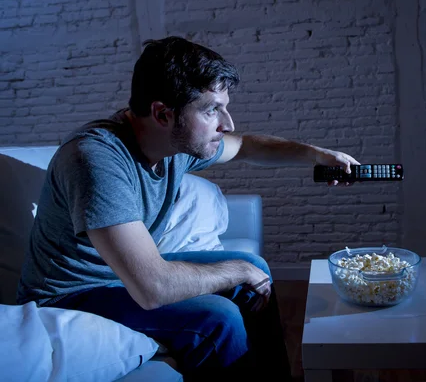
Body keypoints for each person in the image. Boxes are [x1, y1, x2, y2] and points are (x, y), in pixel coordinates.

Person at [16, 36, 360, 380]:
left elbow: (244, 146)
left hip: (119, 279)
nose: (227, 123)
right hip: (72, 295)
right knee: (219, 317)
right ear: (163, 114)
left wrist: (316, 154)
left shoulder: (171, 142)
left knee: (255, 268)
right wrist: (237, 270)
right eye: (212, 109)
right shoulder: (97, 161)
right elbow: (153, 289)